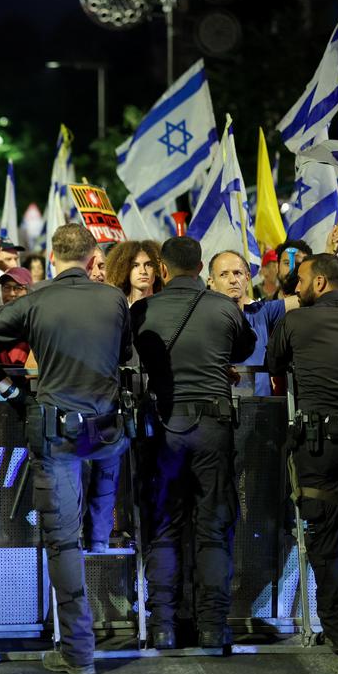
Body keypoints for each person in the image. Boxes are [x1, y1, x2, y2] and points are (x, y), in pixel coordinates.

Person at [0, 223, 130, 674]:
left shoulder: (36, 299)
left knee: (62, 542)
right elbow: (123, 351)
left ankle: (79, 652)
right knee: (94, 525)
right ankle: (100, 535)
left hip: (57, 434)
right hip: (105, 434)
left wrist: (7, 389)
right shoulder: (113, 299)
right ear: (91, 255)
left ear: (54, 256)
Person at [131, 237, 256, 650]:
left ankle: (163, 626)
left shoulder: (142, 311)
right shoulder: (223, 308)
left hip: (165, 427)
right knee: (214, 529)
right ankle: (212, 627)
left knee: (164, 529)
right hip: (214, 426)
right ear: (202, 267)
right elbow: (245, 347)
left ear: (162, 270)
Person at [267, 253, 338, 655]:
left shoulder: (296, 320)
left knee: (324, 544)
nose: (294, 288)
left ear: (319, 283)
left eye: (299, 280)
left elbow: (274, 363)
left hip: (319, 447)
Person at [206, 249, 299, 397]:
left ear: (248, 277)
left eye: (238, 273)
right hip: (218, 407)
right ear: (211, 281)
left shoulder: (263, 311)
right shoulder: (200, 318)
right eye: (224, 274)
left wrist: (330, 253)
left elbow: (310, 294)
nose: (232, 280)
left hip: (262, 408)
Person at [104, 240, 162, 306]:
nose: (143, 271)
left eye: (148, 265)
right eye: (135, 266)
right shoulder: (118, 307)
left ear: (158, 268)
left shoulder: (165, 305)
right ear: (124, 269)